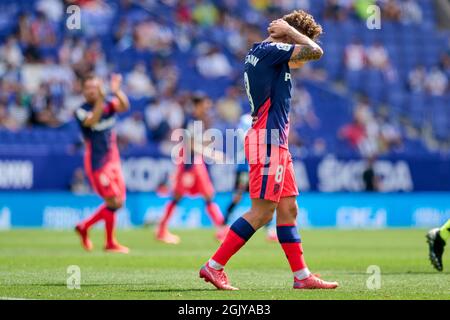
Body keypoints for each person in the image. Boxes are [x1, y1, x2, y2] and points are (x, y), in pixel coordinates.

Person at [199, 10, 338, 290]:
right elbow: (316, 52)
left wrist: (290, 34)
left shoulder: (263, 53)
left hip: (276, 143)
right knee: (262, 211)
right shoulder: (272, 50)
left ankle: (301, 276)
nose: (299, 53)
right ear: (288, 36)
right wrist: (295, 33)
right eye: (298, 41)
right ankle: (214, 266)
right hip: (267, 141)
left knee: (289, 209)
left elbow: (304, 56)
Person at [156, 95, 225, 244]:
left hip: (196, 162)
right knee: (178, 196)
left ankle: (222, 230)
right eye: (205, 105)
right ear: (198, 105)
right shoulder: (191, 121)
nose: (207, 108)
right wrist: (212, 154)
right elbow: (191, 145)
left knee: (208, 195)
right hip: (189, 164)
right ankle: (161, 230)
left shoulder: (199, 122)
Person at [74, 73, 130, 254]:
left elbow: (124, 106)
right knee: (112, 200)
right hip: (97, 162)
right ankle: (110, 242)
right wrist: (102, 99)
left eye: (95, 87)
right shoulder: (81, 110)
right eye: (89, 88)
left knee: (119, 202)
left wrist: (117, 91)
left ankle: (85, 226)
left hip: (113, 159)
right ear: (83, 91)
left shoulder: (108, 105)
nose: (92, 91)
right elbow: (92, 120)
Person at [220, 113, 277, 242]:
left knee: (262, 198)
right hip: (245, 168)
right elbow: (247, 141)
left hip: (255, 167)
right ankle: (223, 226)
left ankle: (270, 230)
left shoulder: (258, 120)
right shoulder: (247, 122)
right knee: (239, 197)